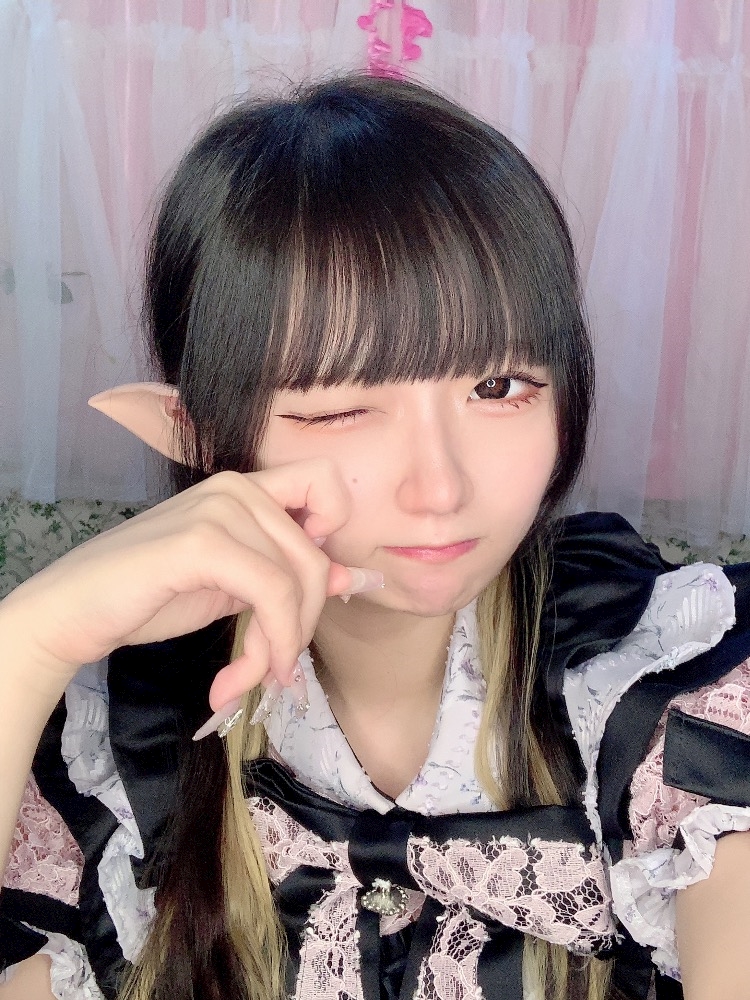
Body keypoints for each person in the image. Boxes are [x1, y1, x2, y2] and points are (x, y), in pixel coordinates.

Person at [1, 74, 749, 1000]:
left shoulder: (658, 685)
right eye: (342, 408)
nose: (441, 488)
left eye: (498, 388)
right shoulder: (125, 742)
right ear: (196, 434)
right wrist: (30, 637)